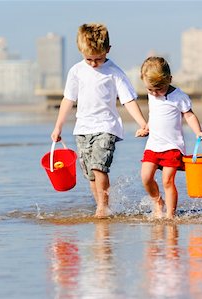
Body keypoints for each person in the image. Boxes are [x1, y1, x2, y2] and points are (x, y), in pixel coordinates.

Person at [51, 23, 148, 218]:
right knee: (91, 174)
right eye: (89, 59)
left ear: (108, 50)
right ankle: (102, 206)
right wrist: (58, 126)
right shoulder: (76, 71)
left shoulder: (114, 72)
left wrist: (142, 122)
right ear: (81, 51)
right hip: (82, 129)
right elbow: (68, 99)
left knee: (99, 167)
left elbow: (128, 99)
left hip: (106, 127)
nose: (95, 63)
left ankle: (102, 208)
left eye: (99, 58)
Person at [137, 56, 202, 219]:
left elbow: (189, 116)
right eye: (150, 90)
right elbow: (155, 115)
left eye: (159, 89)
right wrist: (146, 128)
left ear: (169, 79)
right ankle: (157, 201)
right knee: (146, 177)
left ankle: (170, 215)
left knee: (167, 181)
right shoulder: (152, 94)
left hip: (172, 146)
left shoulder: (179, 96)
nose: (155, 93)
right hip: (153, 145)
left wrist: (198, 132)